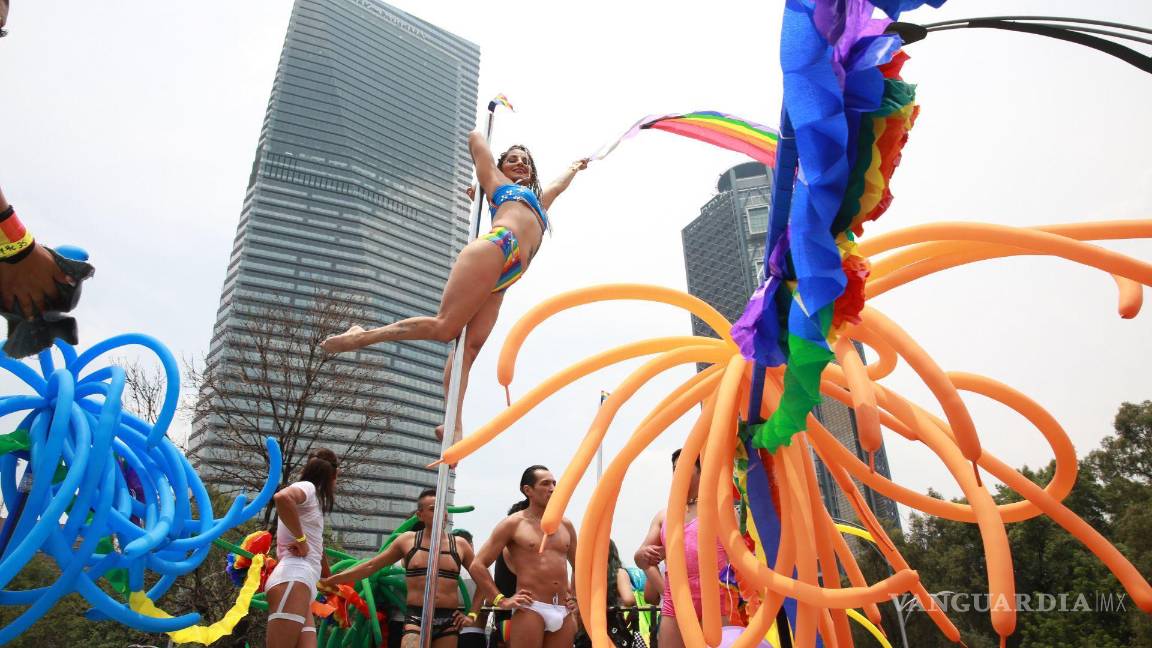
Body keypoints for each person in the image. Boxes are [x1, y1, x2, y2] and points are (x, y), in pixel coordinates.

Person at [320, 137, 589, 441]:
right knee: (445, 327)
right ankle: (363, 336)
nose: (520, 163)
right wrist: (482, 151)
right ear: (499, 166)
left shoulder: (537, 203)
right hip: (498, 247)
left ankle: (454, 424)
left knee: (468, 351)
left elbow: (557, 185)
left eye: (525, 160)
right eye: (512, 158)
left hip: (507, 277)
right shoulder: (495, 181)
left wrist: (574, 167)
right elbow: (476, 142)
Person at [320, 488, 524, 648]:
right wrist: (333, 580)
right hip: (415, 617)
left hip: (448, 619)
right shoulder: (407, 541)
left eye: (442, 508)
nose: (440, 513)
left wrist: (472, 614)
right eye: (432, 508)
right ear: (420, 515)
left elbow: (483, 578)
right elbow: (372, 565)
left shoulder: (459, 544)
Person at [469, 465, 578, 648]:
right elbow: (477, 565)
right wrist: (501, 600)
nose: (552, 488)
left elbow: (579, 565)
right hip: (531, 608)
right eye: (545, 484)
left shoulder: (566, 524)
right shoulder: (513, 524)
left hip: (563, 610)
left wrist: (576, 596)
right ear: (528, 490)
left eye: (554, 483)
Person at [634, 449, 731, 648]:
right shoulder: (664, 516)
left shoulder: (720, 509)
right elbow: (641, 559)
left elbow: (740, 555)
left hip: (716, 595)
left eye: (684, 468)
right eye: (675, 469)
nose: (678, 474)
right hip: (676, 599)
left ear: (701, 471)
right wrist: (643, 555)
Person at [265, 449, 340, 648]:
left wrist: (330, 582)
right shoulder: (308, 488)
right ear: (333, 475)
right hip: (293, 577)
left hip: (302, 583)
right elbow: (282, 497)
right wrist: (301, 539)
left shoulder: (313, 501)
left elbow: (317, 547)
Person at [574, 540, 641, 648]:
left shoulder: (585, 576)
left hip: (588, 629)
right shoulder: (619, 573)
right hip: (613, 629)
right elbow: (629, 600)